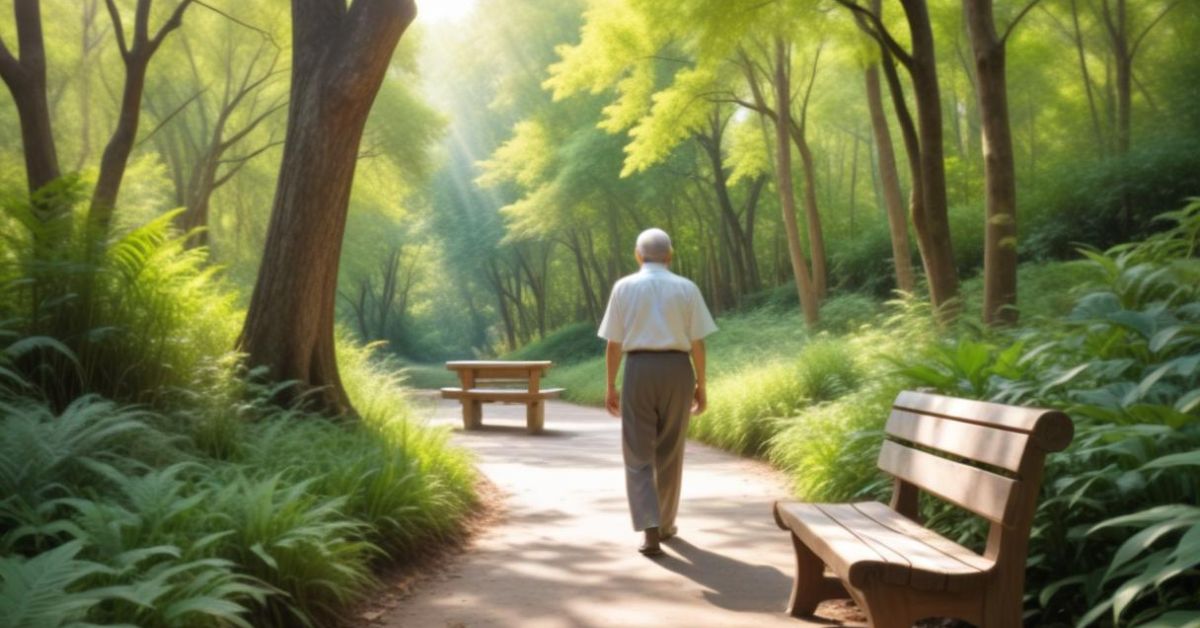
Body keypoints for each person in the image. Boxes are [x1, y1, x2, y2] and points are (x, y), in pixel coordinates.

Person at [597, 228, 718, 557]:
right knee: (670, 450)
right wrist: (701, 385)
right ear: (670, 255)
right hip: (678, 370)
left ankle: (650, 531)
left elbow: (614, 343)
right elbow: (697, 342)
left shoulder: (624, 287)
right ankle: (665, 524)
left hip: (639, 369)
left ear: (638, 255)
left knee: (638, 453)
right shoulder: (686, 288)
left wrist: (610, 385)